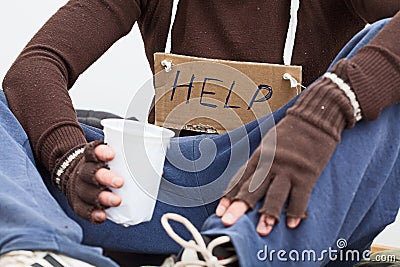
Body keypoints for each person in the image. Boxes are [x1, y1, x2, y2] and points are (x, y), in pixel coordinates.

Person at [1, 0, 399, 266]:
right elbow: (35, 69)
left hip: (276, 207)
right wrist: (70, 162)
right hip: (148, 199)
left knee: (383, 67)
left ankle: (230, 253)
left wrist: (326, 109)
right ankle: (39, 249)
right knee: (11, 113)